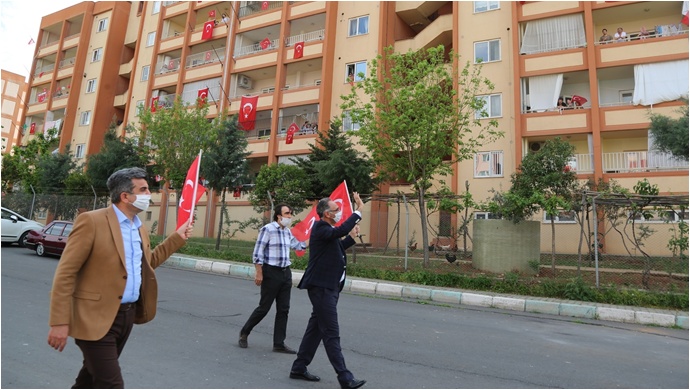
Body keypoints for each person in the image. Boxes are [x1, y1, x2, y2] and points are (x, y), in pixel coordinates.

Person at [47, 167, 193, 388]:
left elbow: (148, 264)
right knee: (111, 383)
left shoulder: (139, 228)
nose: (148, 194)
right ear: (125, 196)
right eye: (143, 190)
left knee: (89, 378)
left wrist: (176, 238)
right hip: (93, 316)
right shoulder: (91, 222)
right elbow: (66, 272)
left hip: (126, 315)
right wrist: (59, 321)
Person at [290, 193, 367, 389]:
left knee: (315, 329)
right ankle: (345, 377)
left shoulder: (328, 230)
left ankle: (299, 367)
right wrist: (358, 211)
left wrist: (350, 238)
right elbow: (339, 230)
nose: (339, 212)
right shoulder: (321, 227)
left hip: (329, 287)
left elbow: (337, 246)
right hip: (322, 288)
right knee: (331, 333)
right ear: (327, 214)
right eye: (336, 210)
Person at [239, 204, 306, 353]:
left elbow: (298, 246)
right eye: (287, 213)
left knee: (284, 309)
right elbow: (258, 251)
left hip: (285, 273)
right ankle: (244, 332)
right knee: (264, 308)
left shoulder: (287, 232)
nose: (289, 216)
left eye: (290, 213)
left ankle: (279, 343)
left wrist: (313, 237)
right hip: (271, 273)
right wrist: (259, 272)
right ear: (279, 216)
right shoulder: (268, 229)